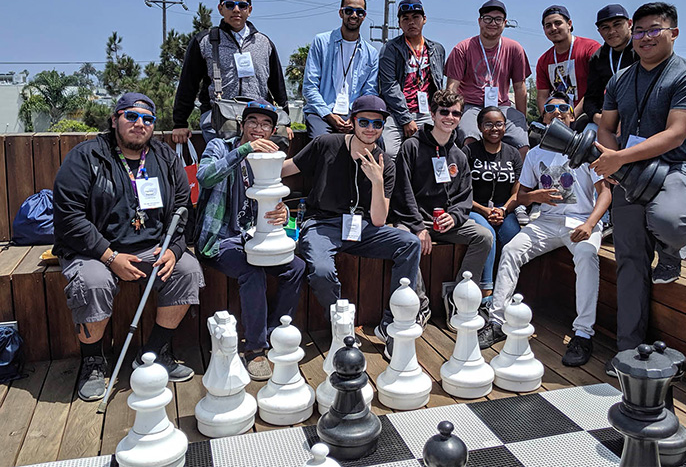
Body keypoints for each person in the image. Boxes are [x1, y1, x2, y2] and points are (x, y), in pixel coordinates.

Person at [53, 93, 204, 402]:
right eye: (131, 116)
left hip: (153, 247)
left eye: (148, 119)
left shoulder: (164, 157)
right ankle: (93, 360)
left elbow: (182, 209)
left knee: (188, 270)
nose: (140, 124)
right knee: (93, 282)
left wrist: (174, 249)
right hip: (94, 250)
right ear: (114, 120)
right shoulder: (86, 157)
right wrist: (109, 256)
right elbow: (69, 216)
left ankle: (153, 352)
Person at [591, 2, 686, 375]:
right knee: (629, 261)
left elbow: (676, 134)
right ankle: (628, 353)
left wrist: (620, 159)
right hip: (630, 172)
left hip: (675, 167)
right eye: (638, 31)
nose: (645, 38)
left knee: (669, 221)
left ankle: (673, 250)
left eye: (653, 30)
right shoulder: (620, 79)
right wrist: (611, 154)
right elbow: (607, 125)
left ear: (673, 33)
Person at [281, 95, 423, 357]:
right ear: (352, 122)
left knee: (409, 243)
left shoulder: (385, 163)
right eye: (364, 121)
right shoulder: (326, 144)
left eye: (377, 124)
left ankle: (390, 324)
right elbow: (286, 169)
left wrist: (378, 182)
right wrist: (250, 159)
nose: (371, 128)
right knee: (322, 271)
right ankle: (342, 326)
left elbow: (380, 220)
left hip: (364, 228)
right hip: (322, 224)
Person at [478, 93, 611, 368]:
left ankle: (583, 333)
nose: (558, 112)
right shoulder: (535, 153)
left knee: (586, 256)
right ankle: (497, 321)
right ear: (544, 116)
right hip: (547, 222)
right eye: (550, 108)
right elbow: (523, 196)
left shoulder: (588, 148)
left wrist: (590, 224)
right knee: (512, 249)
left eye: (564, 108)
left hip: (582, 221)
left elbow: (605, 194)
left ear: (572, 116)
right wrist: (534, 196)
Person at [194, 99, 306, 380]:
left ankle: (273, 334)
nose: (259, 128)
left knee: (297, 268)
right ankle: (254, 350)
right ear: (242, 125)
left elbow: (272, 200)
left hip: (255, 238)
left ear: (273, 129)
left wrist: (280, 212)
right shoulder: (220, 146)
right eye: (253, 122)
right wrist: (244, 151)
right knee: (252, 271)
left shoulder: (272, 156)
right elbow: (204, 177)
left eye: (266, 123)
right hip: (219, 239)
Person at [391, 89, 493, 330]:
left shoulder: (459, 154)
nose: (450, 117)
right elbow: (402, 192)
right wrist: (417, 227)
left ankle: (458, 299)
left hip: (444, 222)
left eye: (455, 113)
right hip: (413, 220)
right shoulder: (411, 147)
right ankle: (420, 304)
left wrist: (454, 217)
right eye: (444, 112)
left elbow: (464, 197)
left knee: (484, 236)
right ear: (433, 115)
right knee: (406, 240)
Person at [172, 0, 291, 146]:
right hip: (218, 120)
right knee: (223, 166)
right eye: (230, 5)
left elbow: (278, 86)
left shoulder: (264, 43)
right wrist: (180, 123)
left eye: (242, 5)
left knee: (257, 167)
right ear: (221, 9)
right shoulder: (205, 41)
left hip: (257, 120)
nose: (236, 10)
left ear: (249, 10)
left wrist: (286, 121)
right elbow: (188, 83)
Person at [445, 0, 531, 159]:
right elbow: (452, 87)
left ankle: (519, 182)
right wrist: (451, 114)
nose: (493, 23)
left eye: (498, 19)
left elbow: (520, 87)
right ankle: (472, 180)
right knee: (469, 137)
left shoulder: (515, 49)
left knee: (521, 142)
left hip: (502, 106)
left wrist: (522, 119)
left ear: (505, 23)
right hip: (471, 106)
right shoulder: (462, 48)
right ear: (479, 21)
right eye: (487, 18)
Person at [462, 106, 523, 301]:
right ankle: (486, 292)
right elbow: (460, 190)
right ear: (480, 127)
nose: (494, 128)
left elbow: (518, 191)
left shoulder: (513, 153)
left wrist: (504, 209)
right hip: (474, 207)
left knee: (513, 237)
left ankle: (506, 290)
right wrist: (484, 209)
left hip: (504, 209)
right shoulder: (468, 151)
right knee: (487, 234)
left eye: (499, 124)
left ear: (505, 127)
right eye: (488, 124)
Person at [302, 0, 379, 139]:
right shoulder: (321, 42)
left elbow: (370, 92)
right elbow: (309, 87)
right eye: (349, 11)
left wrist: (355, 116)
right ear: (341, 13)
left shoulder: (371, 53)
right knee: (322, 142)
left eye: (359, 12)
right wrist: (328, 114)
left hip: (354, 116)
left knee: (376, 142)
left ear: (364, 15)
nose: (354, 15)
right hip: (321, 113)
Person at [378, 0, 446, 159]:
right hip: (396, 113)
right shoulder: (390, 48)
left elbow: (437, 84)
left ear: (424, 19)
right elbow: (389, 86)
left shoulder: (437, 49)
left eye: (416, 17)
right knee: (389, 153)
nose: (411, 22)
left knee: (434, 153)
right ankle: (393, 185)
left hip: (426, 112)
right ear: (399, 23)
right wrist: (406, 119)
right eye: (405, 18)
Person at [535, 5, 601, 117]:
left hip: (589, 114)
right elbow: (542, 96)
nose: (553, 28)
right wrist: (547, 117)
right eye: (548, 25)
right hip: (559, 116)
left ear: (569, 24)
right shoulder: (543, 60)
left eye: (558, 23)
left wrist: (572, 115)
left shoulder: (590, 48)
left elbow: (597, 88)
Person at [584, 4, 638, 126]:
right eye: (605, 27)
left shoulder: (642, 48)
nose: (612, 31)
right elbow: (590, 98)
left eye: (617, 24)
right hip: (608, 117)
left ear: (630, 24)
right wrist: (597, 117)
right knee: (585, 140)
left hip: (639, 116)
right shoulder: (598, 57)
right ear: (599, 32)